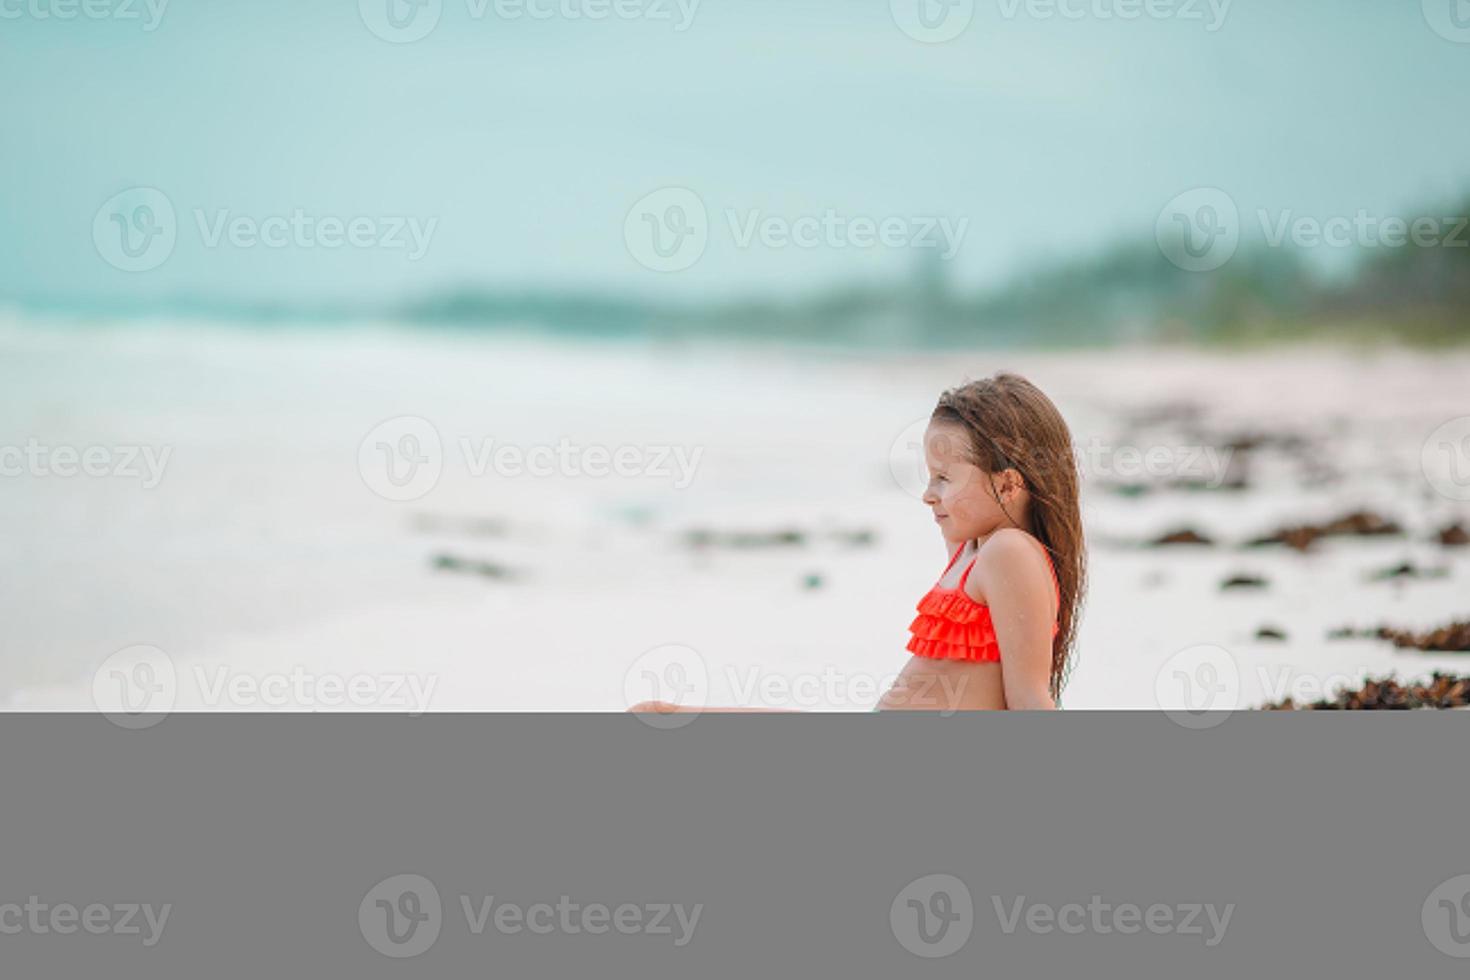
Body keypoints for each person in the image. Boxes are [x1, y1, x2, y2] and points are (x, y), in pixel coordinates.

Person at [632, 372, 1087, 713]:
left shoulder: (1010, 552)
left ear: (1008, 485)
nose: (929, 494)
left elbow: (1029, 698)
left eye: (944, 479)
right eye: (929, 477)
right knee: (657, 715)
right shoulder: (973, 550)